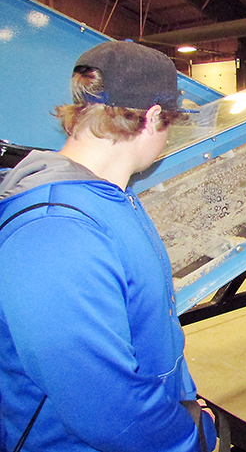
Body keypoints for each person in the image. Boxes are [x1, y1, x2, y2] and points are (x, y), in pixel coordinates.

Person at [0, 41, 217, 451]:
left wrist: (182, 399)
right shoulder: (56, 233)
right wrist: (191, 436)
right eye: (171, 123)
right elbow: (105, 409)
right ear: (153, 118)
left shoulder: (105, 197)